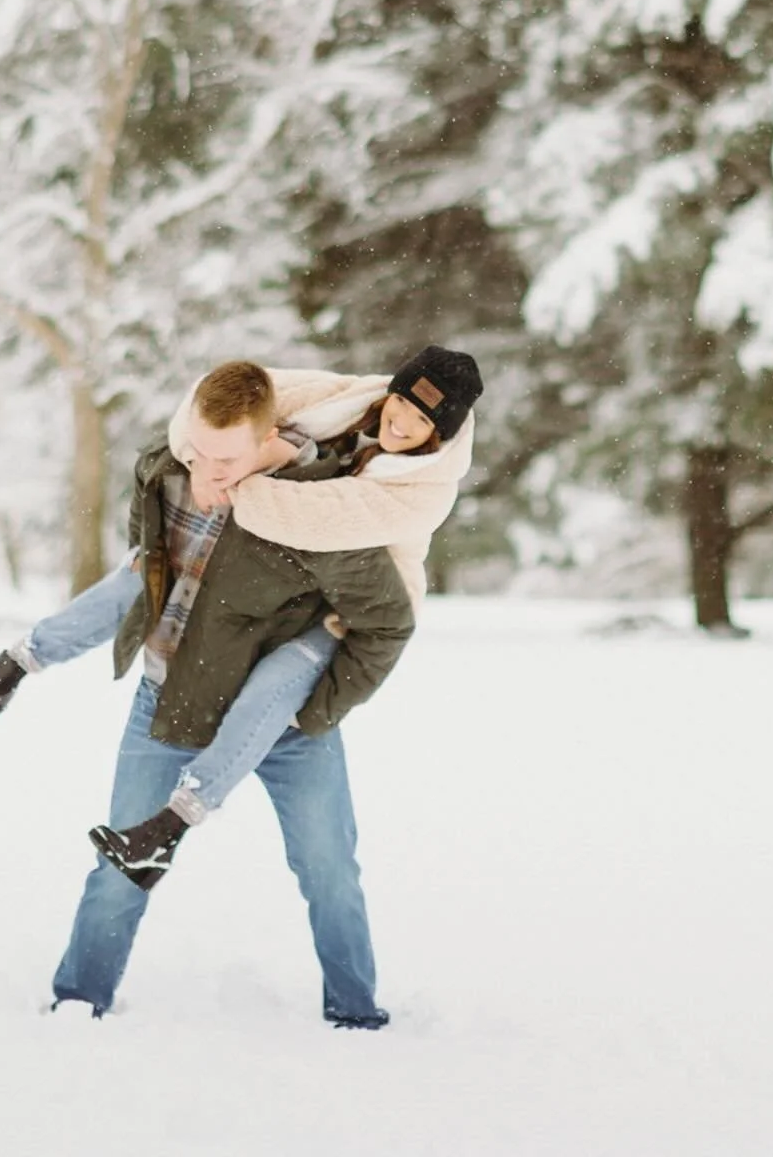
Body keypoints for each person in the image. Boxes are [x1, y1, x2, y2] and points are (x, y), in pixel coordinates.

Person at [0, 357, 452, 1027]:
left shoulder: (322, 508)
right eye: (198, 450)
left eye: (226, 459)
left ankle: (355, 1014)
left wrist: (321, 708)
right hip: (167, 701)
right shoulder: (170, 473)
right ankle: (79, 1000)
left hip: (286, 727)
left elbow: (387, 620)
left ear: (267, 440)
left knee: (330, 872)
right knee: (119, 866)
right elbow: (138, 573)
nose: (206, 470)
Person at [86, 345, 483, 887]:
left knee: (271, 707)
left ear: (439, 433)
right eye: (404, 403)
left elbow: (311, 520)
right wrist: (201, 455)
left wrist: (230, 475)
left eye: (422, 421)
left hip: (351, 615)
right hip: (296, 590)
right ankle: (159, 831)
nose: (402, 422)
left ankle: (171, 825)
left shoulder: (427, 490)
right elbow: (210, 399)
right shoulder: (343, 399)